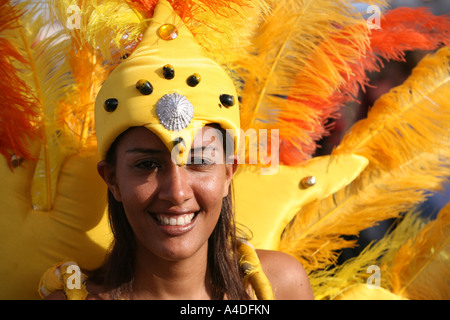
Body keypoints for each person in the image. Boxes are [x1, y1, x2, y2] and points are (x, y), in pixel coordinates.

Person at [43, 0, 313, 300]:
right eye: (147, 164)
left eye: (198, 161)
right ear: (112, 179)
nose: (176, 192)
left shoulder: (281, 285)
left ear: (228, 173)